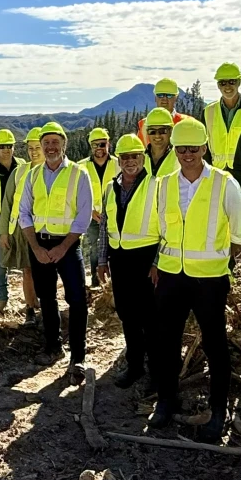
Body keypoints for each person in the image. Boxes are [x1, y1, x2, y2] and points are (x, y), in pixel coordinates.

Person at [148, 118, 241, 443]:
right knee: (167, 341)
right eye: (181, 149)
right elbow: (158, 229)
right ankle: (166, 400)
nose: (187, 155)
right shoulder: (163, 185)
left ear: (204, 148)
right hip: (171, 277)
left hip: (210, 280)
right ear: (174, 150)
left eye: (193, 148)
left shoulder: (224, 183)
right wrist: (156, 264)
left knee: (215, 344)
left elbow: (239, 233)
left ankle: (218, 411)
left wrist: (221, 260)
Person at [18, 122, 92, 384]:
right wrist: (36, 247)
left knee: (77, 300)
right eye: (46, 143)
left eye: (55, 142)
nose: (50, 147)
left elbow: (83, 216)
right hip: (40, 244)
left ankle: (78, 357)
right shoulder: (33, 176)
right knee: (47, 298)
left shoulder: (78, 174)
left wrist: (63, 247)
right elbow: (24, 213)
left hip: (68, 246)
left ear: (64, 145)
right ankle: (53, 346)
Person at [97, 134, 160, 388]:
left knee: (151, 318)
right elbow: (105, 225)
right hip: (120, 260)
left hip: (147, 259)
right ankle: (134, 366)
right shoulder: (110, 187)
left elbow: (168, 227)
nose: (130, 161)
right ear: (119, 160)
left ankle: (156, 371)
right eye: (125, 157)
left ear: (142, 159)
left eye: (134, 156)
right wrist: (102, 259)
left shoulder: (156, 186)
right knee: (127, 315)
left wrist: (158, 262)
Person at [0, 127, 43, 326]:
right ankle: (30, 308)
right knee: (27, 270)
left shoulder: (53, 172)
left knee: (44, 272)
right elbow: (7, 203)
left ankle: (44, 305)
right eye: (30, 148)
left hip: (46, 230)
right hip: (21, 230)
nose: (34, 152)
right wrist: (4, 233)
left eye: (37, 147)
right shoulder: (19, 172)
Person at [0, 128, 24, 318]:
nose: (6, 149)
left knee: (26, 259)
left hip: (20, 221)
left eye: (9, 146)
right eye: (2, 146)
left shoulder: (22, 166)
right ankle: (2, 297)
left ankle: (31, 299)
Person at [78, 128, 117, 287]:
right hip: (92, 215)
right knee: (95, 248)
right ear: (90, 146)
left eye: (102, 144)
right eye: (95, 145)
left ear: (108, 144)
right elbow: (78, 194)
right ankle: (96, 281)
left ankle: (113, 283)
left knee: (115, 247)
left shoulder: (118, 163)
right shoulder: (81, 166)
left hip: (114, 215)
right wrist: (90, 211)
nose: (99, 148)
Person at [204, 62, 241, 169]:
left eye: (232, 82)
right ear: (218, 85)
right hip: (217, 171)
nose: (227, 86)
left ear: (239, 83)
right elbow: (204, 145)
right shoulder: (208, 111)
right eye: (222, 83)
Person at [136, 78, 188, 144]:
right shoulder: (143, 125)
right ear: (155, 98)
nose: (164, 99)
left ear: (176, 98)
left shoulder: (186, 122)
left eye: (169, 95)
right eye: (160, 95)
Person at [142, 108, 181, 178]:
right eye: (152, 131)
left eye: (162, 131)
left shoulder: (180, 157)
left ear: (171, 131)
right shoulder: (140, 158)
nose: (157, 136)